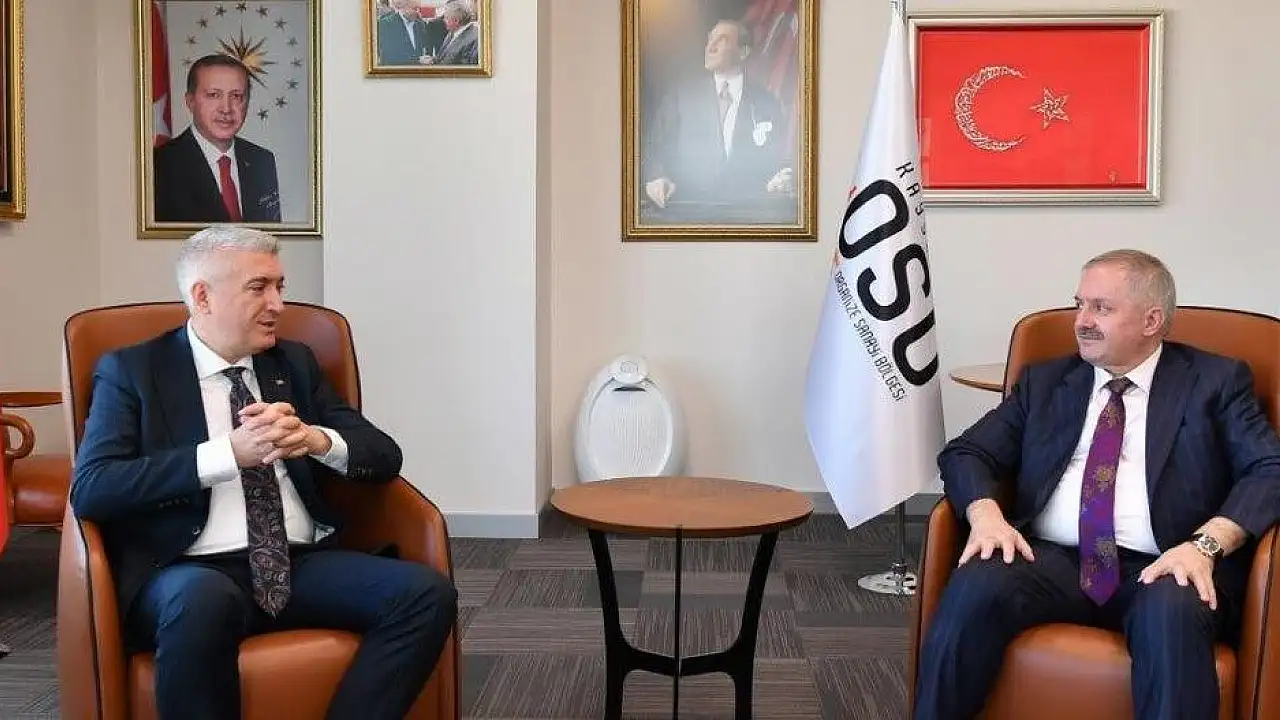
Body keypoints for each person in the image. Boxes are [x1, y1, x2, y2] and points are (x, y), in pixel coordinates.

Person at [69, 226, 458, 720]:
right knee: (202, 602)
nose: (277, 304)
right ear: (202, 297)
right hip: (188, 568)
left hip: (298, 561)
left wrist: (315, 440)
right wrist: (226, 455)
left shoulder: (293, 363)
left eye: (280, 286)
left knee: (425, 594)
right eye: (259, 288)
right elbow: (94, 487)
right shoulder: (133, 371)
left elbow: (383, 456)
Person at [913, 249, 1280, 720]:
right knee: (977, 583)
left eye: (1101, 308)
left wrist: (1205, 545)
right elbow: (967, 452)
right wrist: (986, 517)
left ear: (1151, 320)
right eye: (1079, 304)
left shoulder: (1215, 382)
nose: (1082, 321)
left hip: (1167, 562)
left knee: (1171, 611)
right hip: (1051, 560)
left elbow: (1269, 468)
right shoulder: (1047, 381)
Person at [640, 18, 794, 217]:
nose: (710, 47)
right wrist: (656, 177)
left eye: (721, 40)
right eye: (709, 40)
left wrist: (780, 178)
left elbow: (778, 158)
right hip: (686, 215)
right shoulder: (681, 97)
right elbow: (655, 149)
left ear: (743, 52)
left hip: (747, 216)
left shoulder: (767, 103)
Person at [154, 54, 281, 224]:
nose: (226, 109)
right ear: (190, 101)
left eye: (236, 96)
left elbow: (270, 235)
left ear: (247, 103)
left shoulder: (261, 161)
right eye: (214, 95)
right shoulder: (159, 165)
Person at [376, 0, 443, 65]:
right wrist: (417, 61)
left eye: (419, 9)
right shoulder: (385, 24)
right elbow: (387, 57)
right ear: (403, 6)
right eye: (415, 9)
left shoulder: (420, 25)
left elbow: (422, 50)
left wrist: (427, 58)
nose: (418, 12)